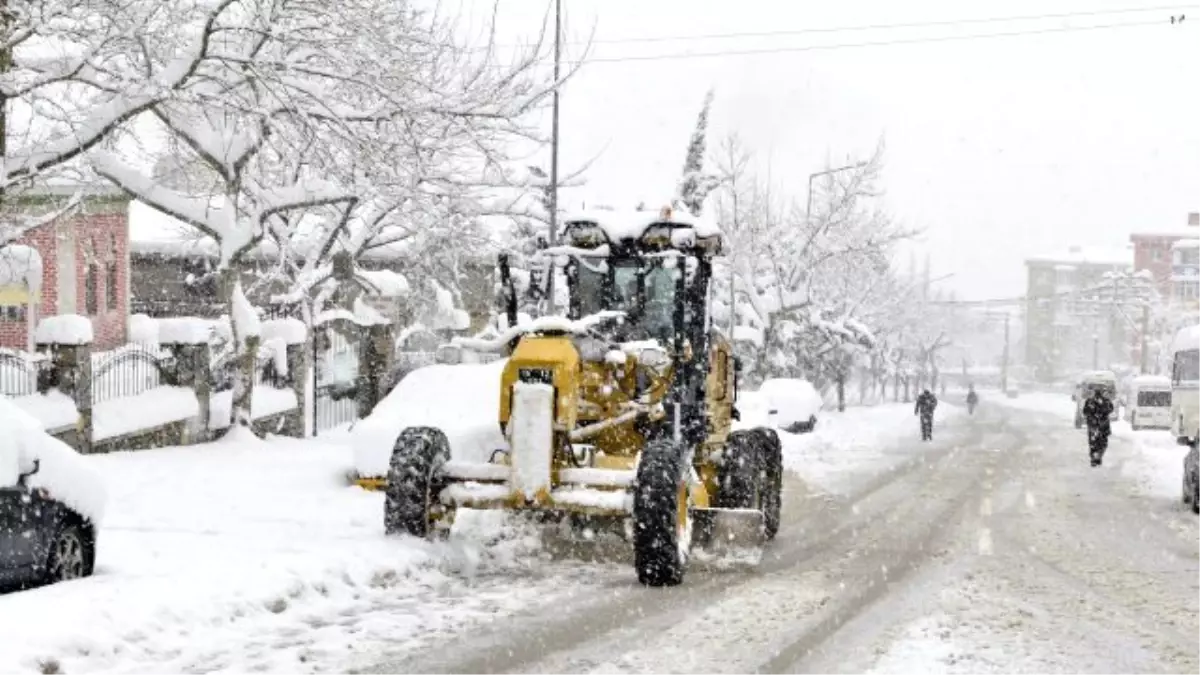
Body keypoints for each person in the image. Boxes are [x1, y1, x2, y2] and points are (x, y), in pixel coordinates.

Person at [1082, 388, 1114, 467]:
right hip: (1102, 427)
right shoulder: (1105, 401)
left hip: (1095, 426)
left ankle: (1095, 458)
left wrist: (1092, 412)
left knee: (1094, 443)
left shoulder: (1090, 401)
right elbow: (1110, 409)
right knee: (1101, 443)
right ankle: (1097, 457)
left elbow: (1085, 412)